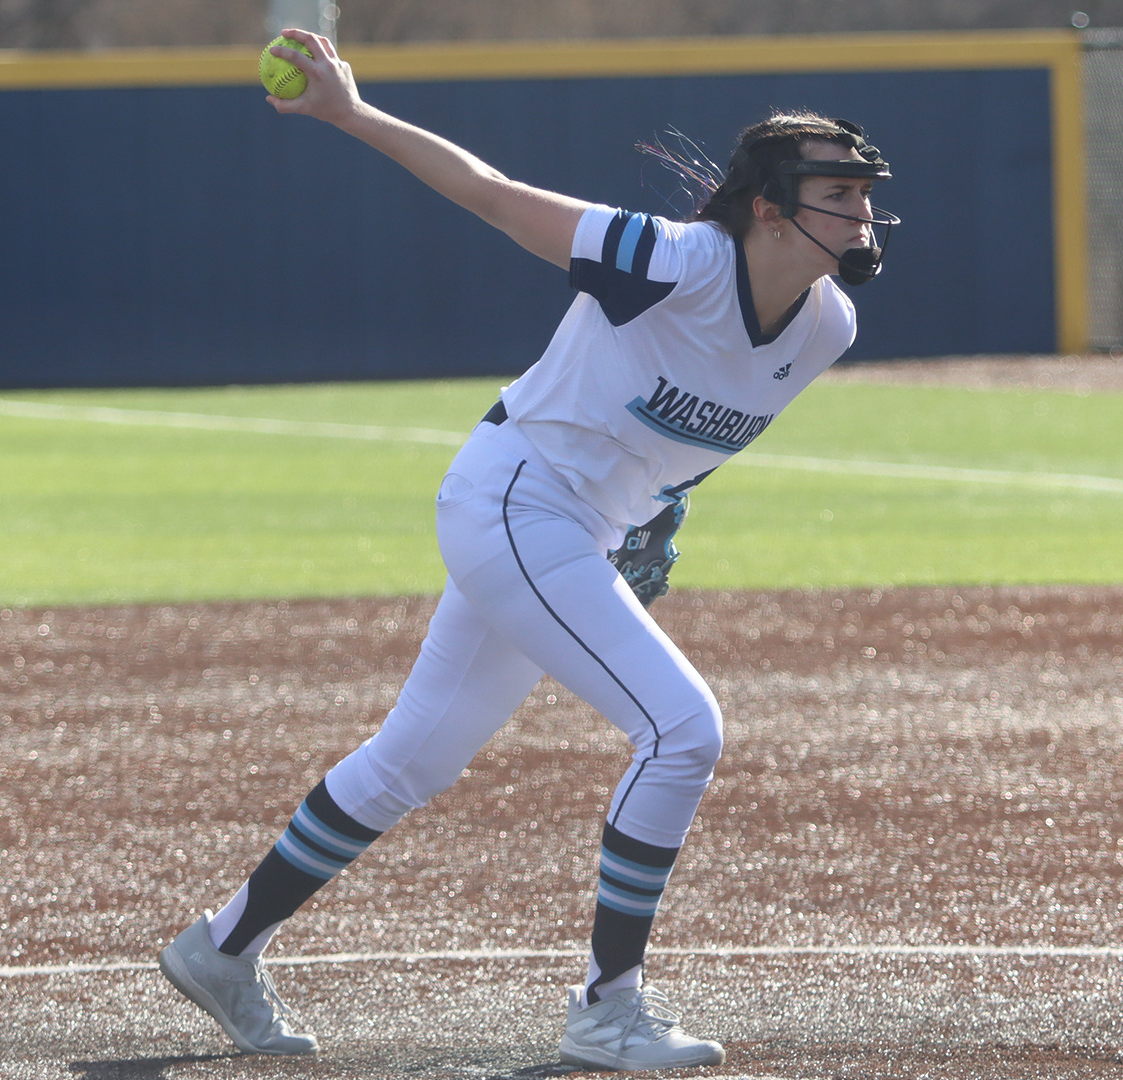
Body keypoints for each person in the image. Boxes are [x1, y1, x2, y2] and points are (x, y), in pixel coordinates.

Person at [157, 28, 897, 1072]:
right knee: (683, 730)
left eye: (865, 193)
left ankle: (222, 947)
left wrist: (655, 515)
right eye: (840, 193)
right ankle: (607, 1011)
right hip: (515, 498)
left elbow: (686, 435)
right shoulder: (673, 261)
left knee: (414, 758)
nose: (862, 213)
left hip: (571, 527)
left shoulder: (826, 327)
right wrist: (351, 113)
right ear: (770, 208)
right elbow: (494, 194)